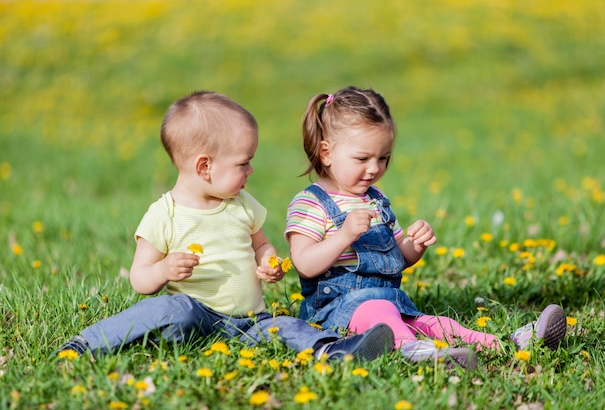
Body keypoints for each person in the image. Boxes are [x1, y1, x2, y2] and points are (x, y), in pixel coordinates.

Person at [57, 90, 394, 362]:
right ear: (205, 167)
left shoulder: (242, 205)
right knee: (167, 308)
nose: (250, 171)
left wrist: (267, 261)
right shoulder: (164, 215)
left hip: (250, 319)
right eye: (243, 163)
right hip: (194, 316)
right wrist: (163, 269)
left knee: (286, 325)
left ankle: (334, 351)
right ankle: (88, 344)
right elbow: (140, 279)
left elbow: (261, 244)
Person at [285, 86, 567, 369]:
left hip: (389, 303)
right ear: (326, 153)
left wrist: (414, 245)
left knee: (437, 323)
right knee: (380, 311)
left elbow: (396, 259)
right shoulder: (311, 203)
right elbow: (305, 264)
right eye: (362, 159)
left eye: (383, 158)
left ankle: (508, 342)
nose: (374, 169)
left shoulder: (376, 200)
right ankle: (414, 353)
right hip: (335, 312)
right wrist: (344, 235)